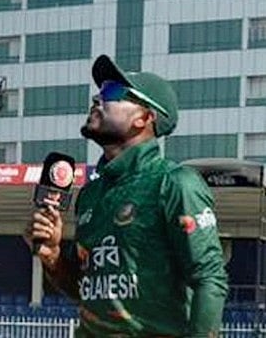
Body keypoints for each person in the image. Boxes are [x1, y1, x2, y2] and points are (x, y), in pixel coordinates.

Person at [26, 55, 228, 337]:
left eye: (112, 92)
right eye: (100, 91)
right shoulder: (91, 194)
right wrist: (53, 256)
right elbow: (86, 291)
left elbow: (210, 278)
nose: (98, 99)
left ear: (144, 118)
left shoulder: (174, 184)